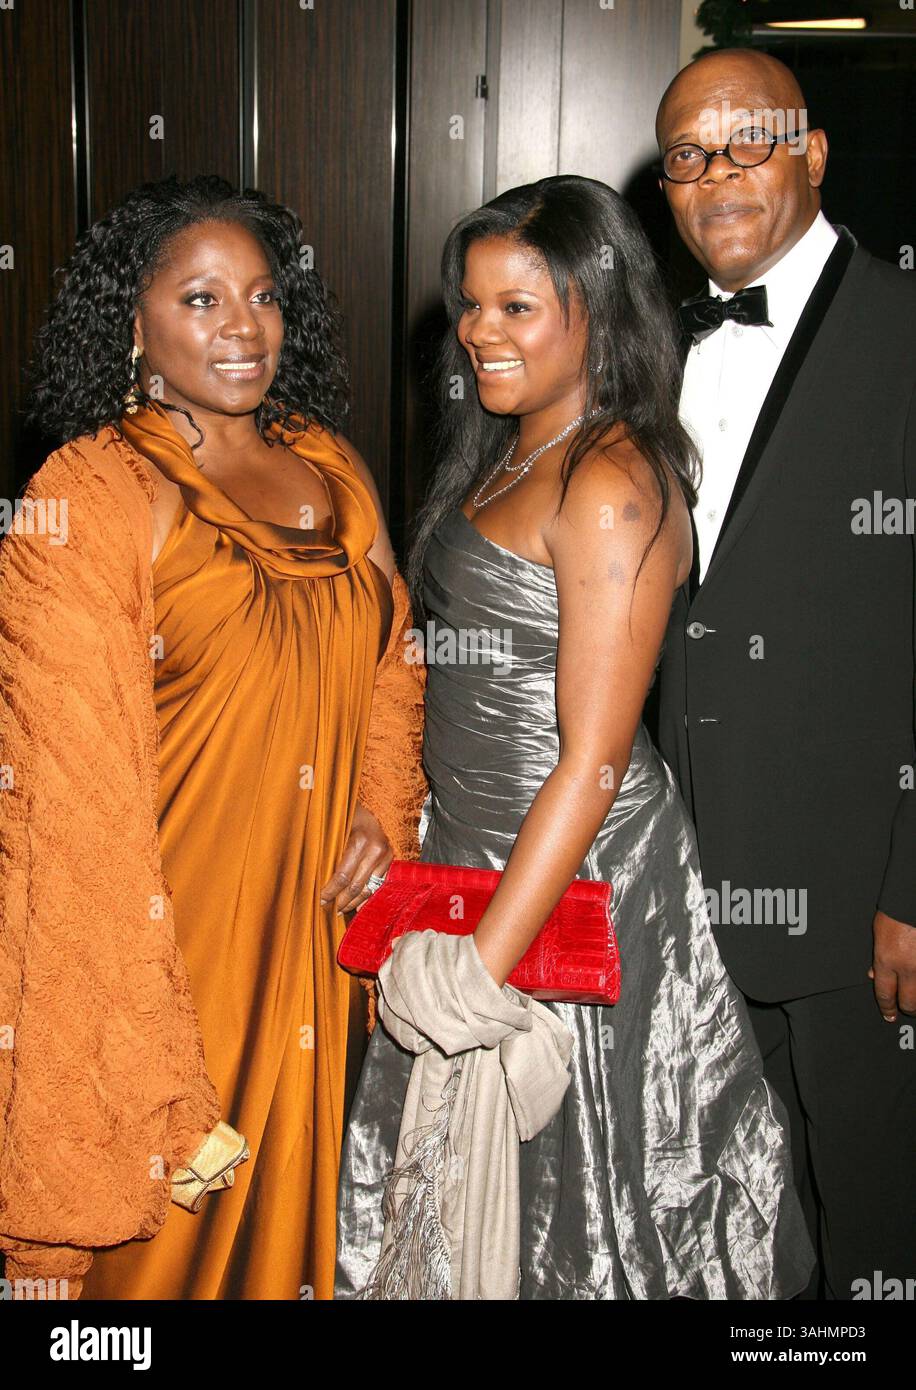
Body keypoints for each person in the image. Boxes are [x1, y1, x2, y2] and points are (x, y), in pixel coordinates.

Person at [335, 174, 815, 1300]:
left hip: (569, 873)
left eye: (516, 308)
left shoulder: (610, 475)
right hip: (471, 849)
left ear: (596, 312)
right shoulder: (508, 444)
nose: (476, 333)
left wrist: (476, 970)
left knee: (594, 1217)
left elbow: (593, 759)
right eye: (470, 304)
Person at [0, 174, 427, 1300]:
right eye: (200, 299)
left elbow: (395, 662)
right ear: (130, 322)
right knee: (157, 1253)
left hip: (320, 940)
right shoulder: (87, 497)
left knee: (300, 1229)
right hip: (166, 946)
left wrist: (381, 801)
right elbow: (65, 808)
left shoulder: (333, 467)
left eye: (263, 294)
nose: (245, 326)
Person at [654, 49, 916, 1299]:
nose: (714, 174)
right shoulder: (651, 345)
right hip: (688, 888)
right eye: (686, 155)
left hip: (864, 901)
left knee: (876, 1223)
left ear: (813, 152)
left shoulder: (905, 333)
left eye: (746, 140)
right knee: (740, 1234)